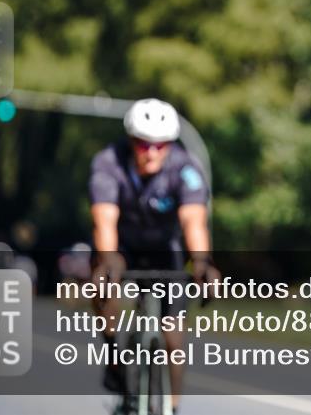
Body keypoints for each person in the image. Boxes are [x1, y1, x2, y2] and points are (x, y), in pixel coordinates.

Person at [89, 98, 217, 411]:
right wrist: (108, 260)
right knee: (104, 282)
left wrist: (202, 262)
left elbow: (194, 222)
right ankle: (114, 356)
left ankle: (172, 406)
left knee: (174, 337)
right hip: (123, 246)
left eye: (161, 145)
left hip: (165, 249)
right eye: (143, 144)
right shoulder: (109, 163)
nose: (152, 153)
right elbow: (105, 221)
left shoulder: (186, 168)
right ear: (131, 141)